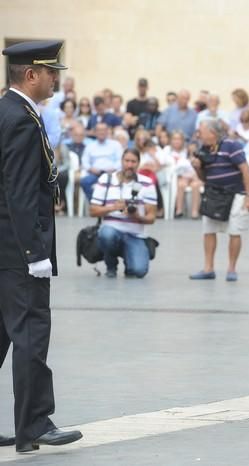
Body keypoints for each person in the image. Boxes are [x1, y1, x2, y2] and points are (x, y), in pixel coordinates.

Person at [0, 39, 83, 453]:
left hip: (5, 247)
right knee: (31, 332)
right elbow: (19, 192)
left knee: (1, 336)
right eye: (52, 72)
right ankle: (33, 424)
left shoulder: (8, 111)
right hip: (18, 251)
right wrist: (35, 253)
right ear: (31, 75)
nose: (56, 79)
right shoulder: (19, 118)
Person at [189, 119, 249, 281]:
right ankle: (208, 268)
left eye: (202, 132)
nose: (199, 135)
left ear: (212, 133)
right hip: (213, 194)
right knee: (209, 230)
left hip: (236, 194)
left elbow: (245, 170)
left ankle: (231, 269)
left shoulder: (231, 146)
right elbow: (205, 177)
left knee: (234, 231)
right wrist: (197, 168)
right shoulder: (204, 150)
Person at [89, 149, 157, 278]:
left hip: (135, 234)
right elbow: (92, 211)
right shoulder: (106, 179)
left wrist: (137, 216)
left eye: (133, 162)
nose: (130, 165)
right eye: (127, 161)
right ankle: (111, 264)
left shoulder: (147, 183)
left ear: (138, 163)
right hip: (111, 230)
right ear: (121, 161)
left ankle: (129, 259)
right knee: (107, 234)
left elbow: (152, 218)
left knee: (139, 271)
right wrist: (113, 207)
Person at [80, 121, 122, 199]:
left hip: (112, 174)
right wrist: (90, 168)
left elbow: (120, 160)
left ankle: (108, 205)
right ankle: (94, 203)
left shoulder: (115, 145)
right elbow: (84, 161)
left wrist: (113, 169)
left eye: (103, 130)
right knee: (84, 182)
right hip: (95, 174)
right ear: (95, 132)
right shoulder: (90, 146)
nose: (101, 132)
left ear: (107, 131)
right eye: (99, 130)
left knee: (119, 184)